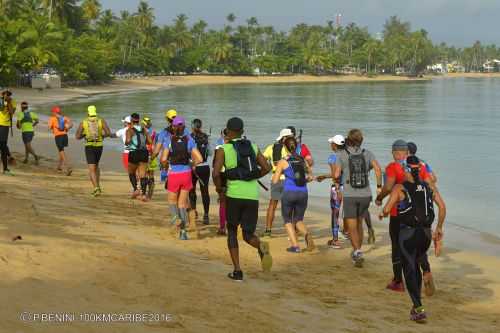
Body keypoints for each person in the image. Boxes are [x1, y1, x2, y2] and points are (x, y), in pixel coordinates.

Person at [380, 156, 446, 323]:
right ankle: (416, 305)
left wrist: (383, 212)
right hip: (425, 235)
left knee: (409, 268)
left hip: (407, 234)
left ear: (406, 170)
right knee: (415, 264)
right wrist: (438, 228)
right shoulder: (429, 186)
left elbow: (387, 209)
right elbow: (443, 207)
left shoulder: (400, 187)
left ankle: (418, 308)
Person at [213, 117, 273, 281]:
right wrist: (251, 176)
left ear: (228, 131)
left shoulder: (223, 149)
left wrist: (220, 190)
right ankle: (260, 246)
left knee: (232, 231)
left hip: (234, 195)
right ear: (242, 131)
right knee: (248, 234)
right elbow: (267, 168)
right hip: (252, 195)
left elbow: (216, 173)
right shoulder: (253, 146)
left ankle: (238, 271)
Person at [375, 140, 431, 292]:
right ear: (407, 152)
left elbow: (388, 186)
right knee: (418, 244)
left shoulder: (393, 167)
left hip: (398, 213)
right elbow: (430, 185)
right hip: (420, 214)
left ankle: (398, 281)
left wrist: (380, 198)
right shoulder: (419, 166)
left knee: (397, 246)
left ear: (394, 152)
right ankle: (426, 270)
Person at [334, 129, 382, 267]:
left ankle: (357, 251)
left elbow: (337, 174)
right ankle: (357, 251)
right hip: (366, 194)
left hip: (350, 194)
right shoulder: (367, 153)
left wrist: (337, 186)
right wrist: (379, 187)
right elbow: (378, 169)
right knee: (360, 224)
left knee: (352, 226)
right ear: (361, 141)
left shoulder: (341, 154)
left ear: (348, 139)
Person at [160, 116, 202, 240]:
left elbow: (163, 159)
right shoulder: (189, 140)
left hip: (174, 174)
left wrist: (166, 165)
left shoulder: (168, 139)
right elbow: (199, 159)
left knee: (172, 201)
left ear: (173, 126)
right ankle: (183, 232)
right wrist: (191, 164)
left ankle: (175, 218)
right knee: (182, 204)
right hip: (186, 174)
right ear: (184, 127)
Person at [272, 135, 315, 253]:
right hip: (303, 192)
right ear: (296, 147)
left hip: (289, 192)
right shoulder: (303, 160)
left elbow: (275, 181)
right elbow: (311, 177)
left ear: (285, 148)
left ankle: (295, 246)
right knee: (299, 220)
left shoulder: (283, 161)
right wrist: (304, 180)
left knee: (287, 220)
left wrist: (283, 178)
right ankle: (306, 234)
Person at [262, 128, 295, 237]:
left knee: (272, 205)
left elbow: (262, 159)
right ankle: (294, 230)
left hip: (275, 178)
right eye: (290, 137)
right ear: (285, 138)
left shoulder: (271, 147)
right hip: (288, 179)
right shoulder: (289, 148)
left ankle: (268, 230)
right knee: (291, 205)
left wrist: (268, 168)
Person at [75, 105, 112, 196]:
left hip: (89, 146)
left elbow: (77, 137)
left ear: (88, 113)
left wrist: (84, 135)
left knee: (91, 169)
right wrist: (102, 136)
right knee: (96, 166)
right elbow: (108, 133)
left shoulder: (84, 122)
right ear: (95, 112)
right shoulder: (101, 121)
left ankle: (96, 188)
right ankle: (98, 186)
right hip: (99, 146)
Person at [316, 134, 345, 249]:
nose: (330, 145)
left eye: (331, 143)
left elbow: (336, 175)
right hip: (349, 188)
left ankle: (335, 240)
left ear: (334, 145)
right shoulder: (347, 155)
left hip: (338, 188)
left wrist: (324, 176)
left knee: (335, 213)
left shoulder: (333, 157)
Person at [189, 118, 212, 224]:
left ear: (192, 127)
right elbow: (210, 153)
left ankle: (193, 211)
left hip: (192, 167)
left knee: (191, 190)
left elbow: (187, 152)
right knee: (205, 191)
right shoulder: (206, 137)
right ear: (201, 126)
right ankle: (206, 215)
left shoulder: (189, 137)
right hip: (204, 167)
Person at [126, 113, 152, 201]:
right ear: (139, 120)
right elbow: (150, 141)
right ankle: (144, 195)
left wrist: (128, 142)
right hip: (144, 152)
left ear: (131, 120)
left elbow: (127, 141)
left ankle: (135, 190)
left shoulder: (130, 130)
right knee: (143, 174)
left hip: (134, 152)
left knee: (131, 172)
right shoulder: (144, 129)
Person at [48, 106, 73, 175]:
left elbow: (49, 127)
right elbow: (71, 124)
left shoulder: (52, 118)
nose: (52, 113)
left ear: (54, 112)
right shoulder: (64, 117)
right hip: (65, 136)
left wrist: (53, 126)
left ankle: (68, 167)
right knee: (61, 151)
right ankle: (59, 166)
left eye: (52, 112)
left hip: (58, 136)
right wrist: (67, 127)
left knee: (61, 151)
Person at [214, 129, 228, 235]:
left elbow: (215, 165)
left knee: (223, 202)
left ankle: (223, 227)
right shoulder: (237, 145)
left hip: (222, 175)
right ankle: (233, 226)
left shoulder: (219, 146)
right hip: (235, 175)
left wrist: (217, 185)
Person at [0, 90, 16, 174]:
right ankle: (9, 156)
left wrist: (8, 102)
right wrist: (2, 100)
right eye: (3, 95)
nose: (5, 96)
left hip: (4, 125)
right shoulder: (0, 100)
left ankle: (5, 168)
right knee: (2, 145)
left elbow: (11, 112)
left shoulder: (13, 101)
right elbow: (1, 109)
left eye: (7, 95)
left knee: (2, 146)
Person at [143, 116, 158, 199]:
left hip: (144, 153)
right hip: (153, 154)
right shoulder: (154, 132)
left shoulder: (143, 132)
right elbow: (156, 144)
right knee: (151, 174)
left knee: (144, 173)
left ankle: (144, 193)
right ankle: (150, 193)